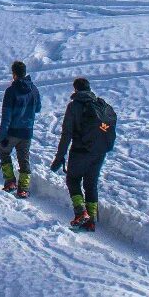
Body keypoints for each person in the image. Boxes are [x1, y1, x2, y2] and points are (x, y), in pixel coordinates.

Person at [50, 77, 118, 230]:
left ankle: (81, 212)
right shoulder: (102, 105)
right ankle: (91, 219)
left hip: (80, 151)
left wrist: (60, 157)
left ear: (75, 90)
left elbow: (66, 134)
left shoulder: (74, 106)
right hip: (99, 152)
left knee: (72, 180)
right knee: (91, 184)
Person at [0, 60, 41, 198]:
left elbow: (6, 116)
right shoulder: (33, 89)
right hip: (27, 131)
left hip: (13, 131)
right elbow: (38, 108)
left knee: (3, 152)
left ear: (14, 74)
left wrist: (2, 136)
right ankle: (24, 188)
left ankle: (10, 182)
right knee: (24, 159)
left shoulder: (11, 91)